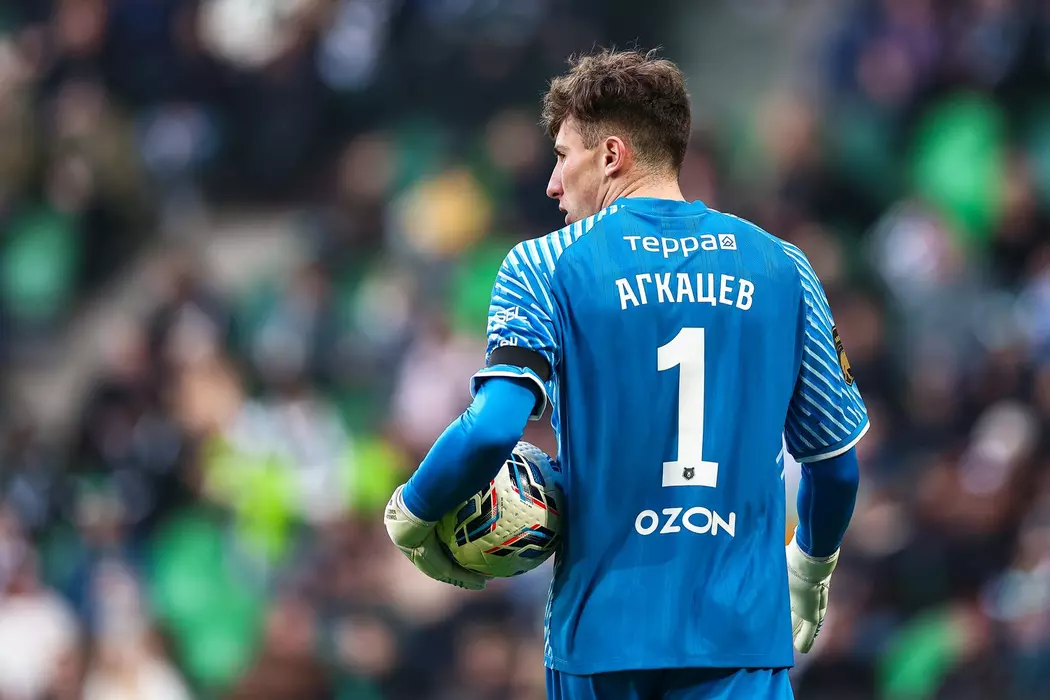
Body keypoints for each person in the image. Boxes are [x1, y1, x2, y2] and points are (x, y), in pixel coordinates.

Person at [384, 48, 867, 700]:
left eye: (563, 156)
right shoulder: (782, 266)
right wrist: (810, 570)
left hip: (601, 638)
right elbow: (835, 466)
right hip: (740, 636)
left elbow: (493, 428)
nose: (552, 184)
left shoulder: (543, 265)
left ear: (611, 155)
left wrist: (412, 512)